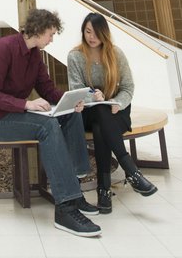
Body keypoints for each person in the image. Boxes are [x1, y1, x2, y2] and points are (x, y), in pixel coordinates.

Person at [0, 8, 102, 238]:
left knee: (71, 115)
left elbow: (47, 89)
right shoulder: (3, 48)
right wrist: (27, 104)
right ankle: (65, 208)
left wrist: (72, 101)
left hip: (14, 115)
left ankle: (74, 191)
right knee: (47, 126)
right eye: (51, 34)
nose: (52, 39)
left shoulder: (35, 55)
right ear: (40, 30)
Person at [66, 12, 157, 214]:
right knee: (99, 112)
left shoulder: (116, 54)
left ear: (104, 34)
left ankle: (104, 190)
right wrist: (94, 97)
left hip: (116, 111)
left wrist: (116, 102)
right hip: (88, 112)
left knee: (101, 128)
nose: (91, 37)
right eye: (88, 31)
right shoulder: (75, 56)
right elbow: (76, 88)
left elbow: (128, 87)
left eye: (96, 33)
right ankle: (131, 171)